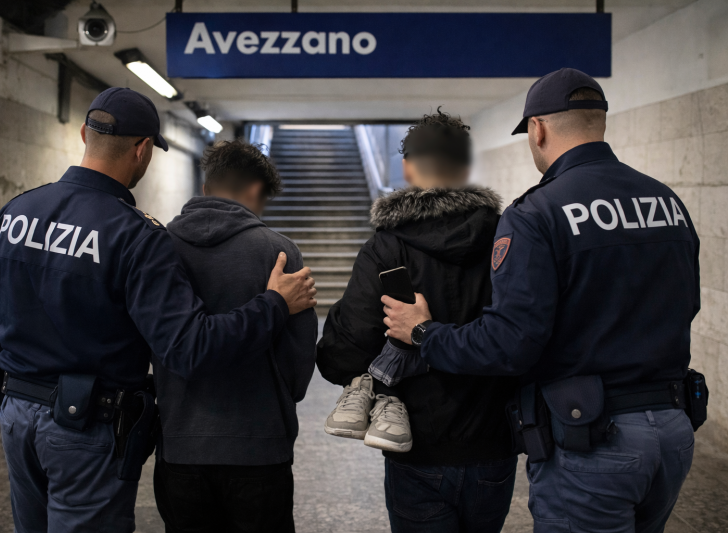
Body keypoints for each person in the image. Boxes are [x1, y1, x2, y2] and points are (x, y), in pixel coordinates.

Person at [0, 87, 316, 533]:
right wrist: (273, 303)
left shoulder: (16, 212)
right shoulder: (132, 234)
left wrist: (13, 395)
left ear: (83, 133)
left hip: (17, 414)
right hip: (86, 423)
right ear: (142, 149)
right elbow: (188, 347)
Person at [382, 68, 701, 533]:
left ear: (538, 128)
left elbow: (510, 343)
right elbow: (687, 303)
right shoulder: (666, 202)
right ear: (599, 122)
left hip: (593, 440)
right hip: (673, 430)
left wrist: (424, 332)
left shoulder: (538, 213)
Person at [317, 111, 518, 532]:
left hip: (416, 445)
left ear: (407, 167)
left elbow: (345, 349)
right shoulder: (508, 239)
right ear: (466, 167)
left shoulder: (386, 247)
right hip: (494, 441)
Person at [153, 140, 318, 533]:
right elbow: (298, 366)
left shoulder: (158, 246)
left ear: (206, 187)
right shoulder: (279, 253)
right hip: (259, 446)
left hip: (181, 446)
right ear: (256, 191)